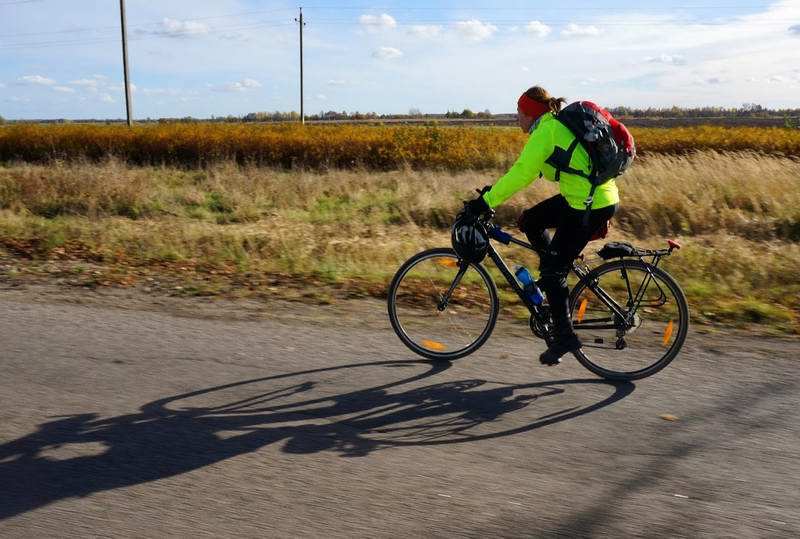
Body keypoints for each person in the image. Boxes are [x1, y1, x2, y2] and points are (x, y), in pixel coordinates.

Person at [465, 86, 620, 366]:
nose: (516, 119)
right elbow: (526, 171)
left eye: (518, 113)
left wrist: (484, 203)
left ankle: (564, 336)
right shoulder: (549, 129)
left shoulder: (546, 133)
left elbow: (522, 172)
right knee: (531, 221)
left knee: (552, 270)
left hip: (590, 204)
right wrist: (492, 193)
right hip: (586, 198)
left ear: (530, 113)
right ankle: (553, 278)